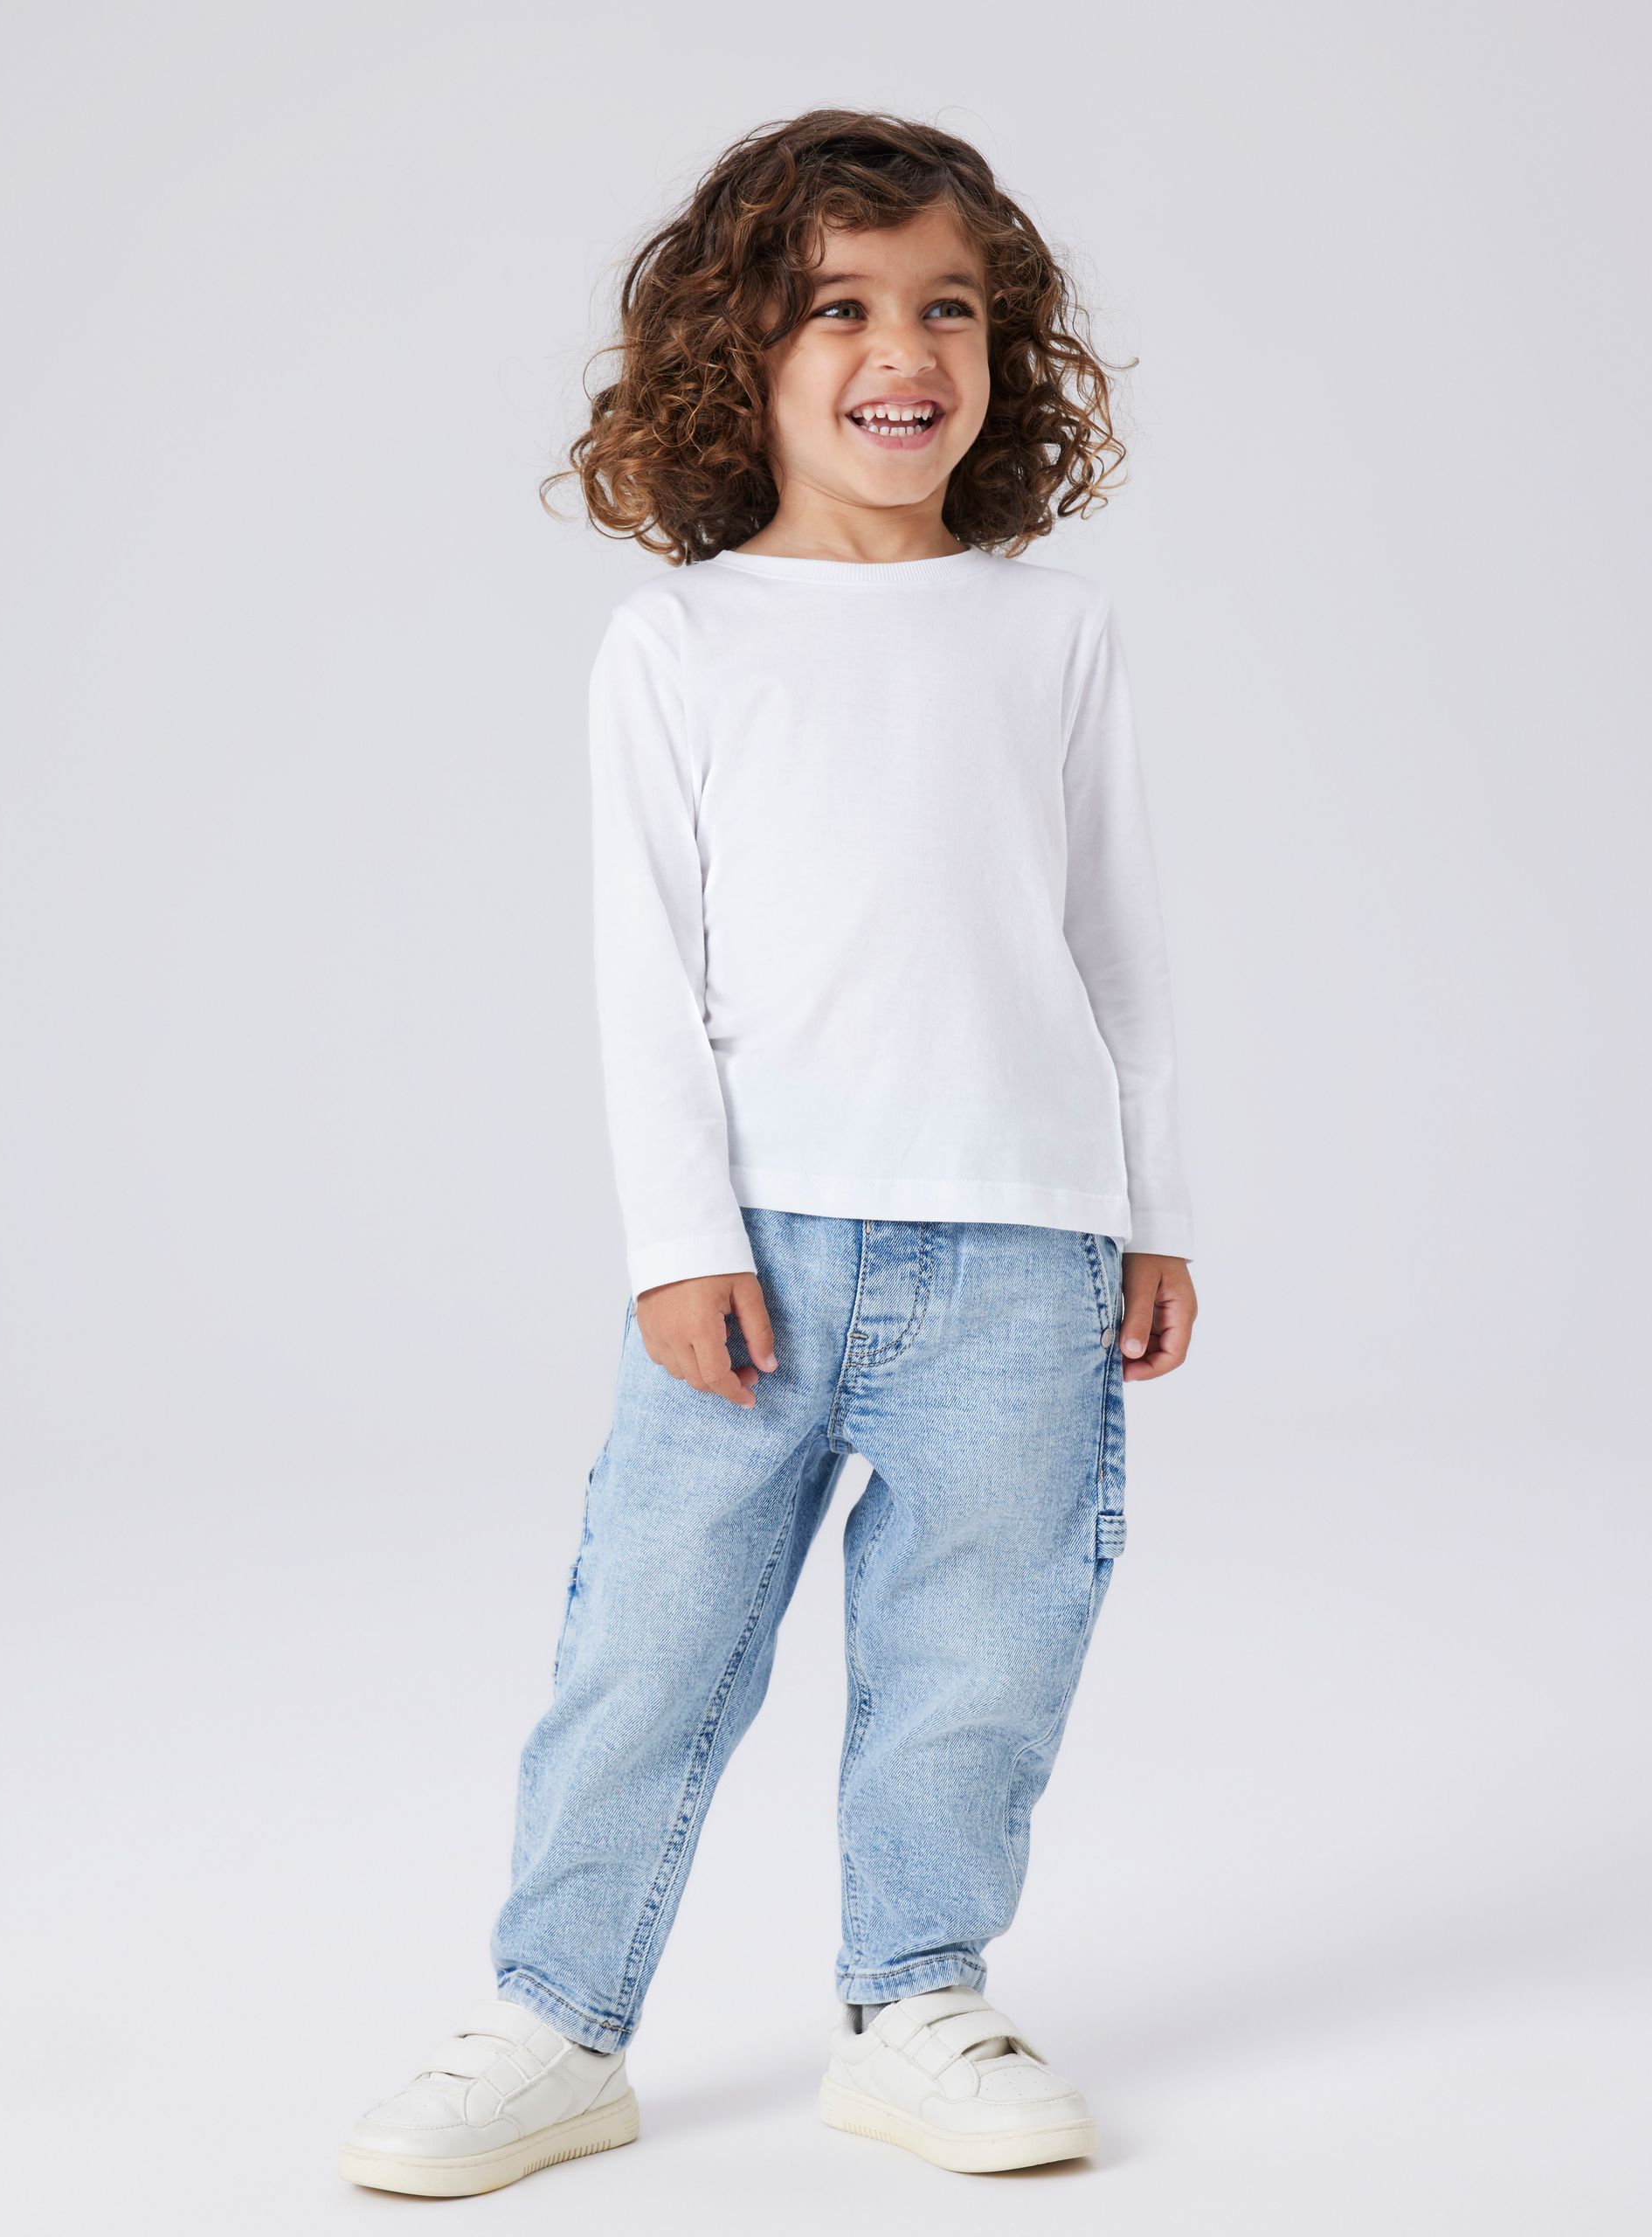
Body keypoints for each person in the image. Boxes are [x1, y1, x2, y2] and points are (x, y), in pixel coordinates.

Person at [340, 107, 1198, 2196]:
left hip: (1025, 1247)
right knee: (648, 1642)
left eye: (950, 309)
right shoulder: (683, 641)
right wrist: (676, 1235)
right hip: (760, 1256)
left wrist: (1151, 1212)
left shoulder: (1052, 632)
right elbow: (646, 971)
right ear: (741, 353)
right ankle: (555, 2016)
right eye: (841, 309)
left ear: (1003, 352)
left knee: (980, 1654)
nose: (904, 350)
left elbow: (1115, 942)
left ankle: (918, 2000)